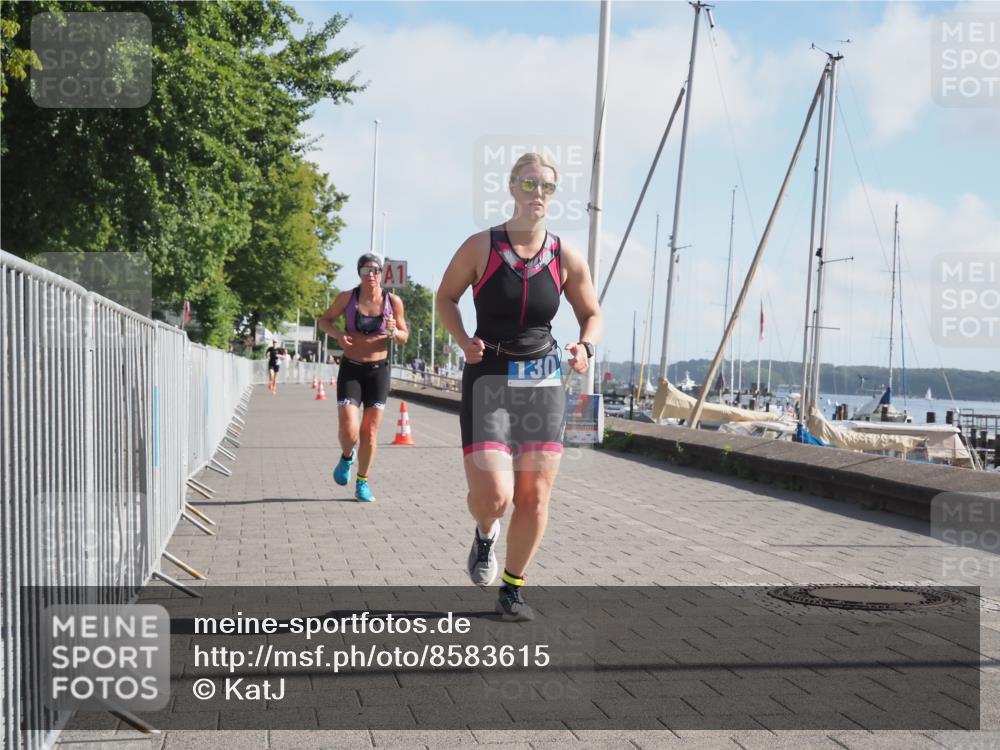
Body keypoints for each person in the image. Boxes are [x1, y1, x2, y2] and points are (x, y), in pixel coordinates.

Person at [436, 152, 602, 621]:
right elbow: (445, 297)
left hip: (542, 378)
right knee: (496, 497)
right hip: (487, 375)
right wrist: (463, 339)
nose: (538, 194)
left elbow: (592, 313)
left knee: (535, 494)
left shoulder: (564, 255)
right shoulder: (481, 247)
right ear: (511, 188)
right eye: (529, 185)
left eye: (546, 187)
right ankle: (485, 532)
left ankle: (512, 589)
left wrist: (585, 347)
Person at [318, 253, 408, 502]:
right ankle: (347, 456)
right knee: (349, 430)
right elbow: (323, 321)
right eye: (367, 270)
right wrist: (337, 334)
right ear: (359, 273)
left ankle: (362, 482)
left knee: (369, 432)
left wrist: (394, 332)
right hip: (352, 369)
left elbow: (404, 335)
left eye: (376, 270)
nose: (372, 275)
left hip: (378, 371)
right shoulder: (347, 298)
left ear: (382, 274)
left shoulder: (393, 301)